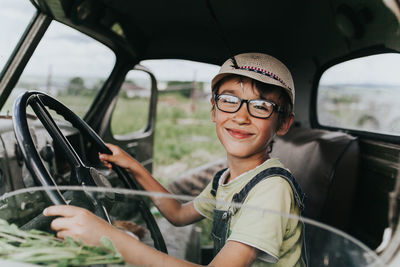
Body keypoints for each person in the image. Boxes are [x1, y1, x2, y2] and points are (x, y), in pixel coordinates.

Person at [43, 53, 306, 267]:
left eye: (261, 106)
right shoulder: (227, 180)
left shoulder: (271, 189)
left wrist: (112, 239)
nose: (240, 116)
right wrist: (134, 166)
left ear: (283, 123)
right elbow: (178, 214)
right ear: (214, 110)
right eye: (229, 100)